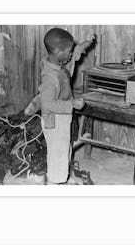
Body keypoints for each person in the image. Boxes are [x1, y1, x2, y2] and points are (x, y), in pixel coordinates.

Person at [25, 27, 95, 184]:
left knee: (65, 150)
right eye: (69, 51)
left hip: (62, 119)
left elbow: (76, 52)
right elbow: (48, 104)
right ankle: (55, 182)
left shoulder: (58, 62)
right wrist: (72, 104)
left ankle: (62, 177)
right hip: (54, 122)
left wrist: (87, 42)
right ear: (58, 51)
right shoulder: (50, 78)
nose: (72, 54)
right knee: (58, 154)